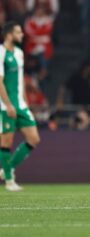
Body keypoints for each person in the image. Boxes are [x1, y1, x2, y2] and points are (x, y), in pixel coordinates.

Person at [0, 22, 41, 191]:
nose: (22, 34)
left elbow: (20, 81)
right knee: (6, 141)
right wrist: (8, 105)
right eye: (18, 32)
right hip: (5, 105)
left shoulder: (19, 53)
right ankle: (9, 181)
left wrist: (25, 102)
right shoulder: (1, 52)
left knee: (34, 139)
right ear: (9, 34)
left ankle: (6, 169)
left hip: (20, 104)